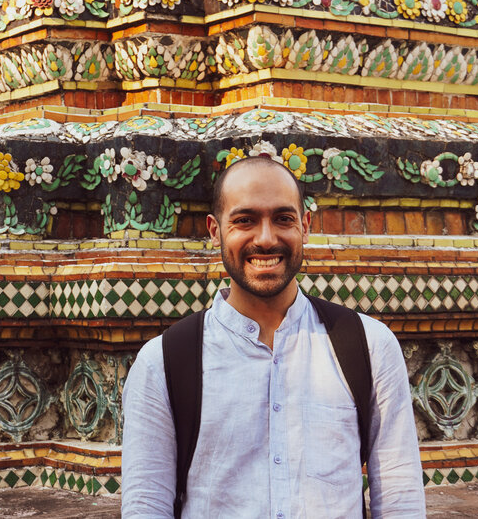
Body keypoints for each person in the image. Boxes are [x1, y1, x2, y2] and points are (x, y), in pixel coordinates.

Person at [121, 155, 425, 518]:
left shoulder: (369, 347)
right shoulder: (164, 363)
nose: (266, 239)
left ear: (305, 225)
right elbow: (146, 506)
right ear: (215, 230)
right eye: (244, 220)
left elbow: (400, 497)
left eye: (283, 219)